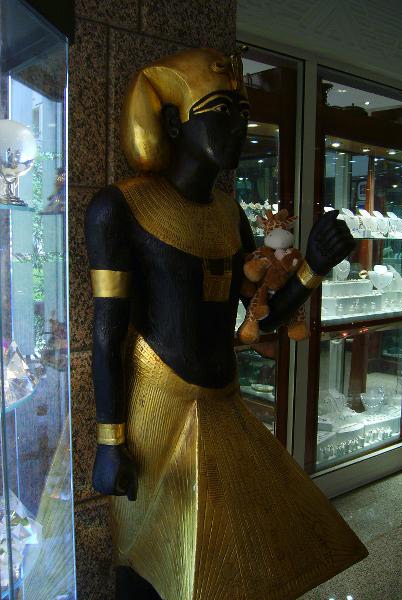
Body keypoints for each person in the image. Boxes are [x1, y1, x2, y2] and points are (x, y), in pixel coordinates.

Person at [85, 47, 366, 600]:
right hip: (156, 411)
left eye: (243, 112)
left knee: (221, 567)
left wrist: (311, 267)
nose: (238, 126)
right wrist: (109, 439)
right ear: (173, 123)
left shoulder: (228, 212)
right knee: (148, 565)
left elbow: (260, 317)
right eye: (220, 111)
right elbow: (107, 332)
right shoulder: (120, 207)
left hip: (223, 404)